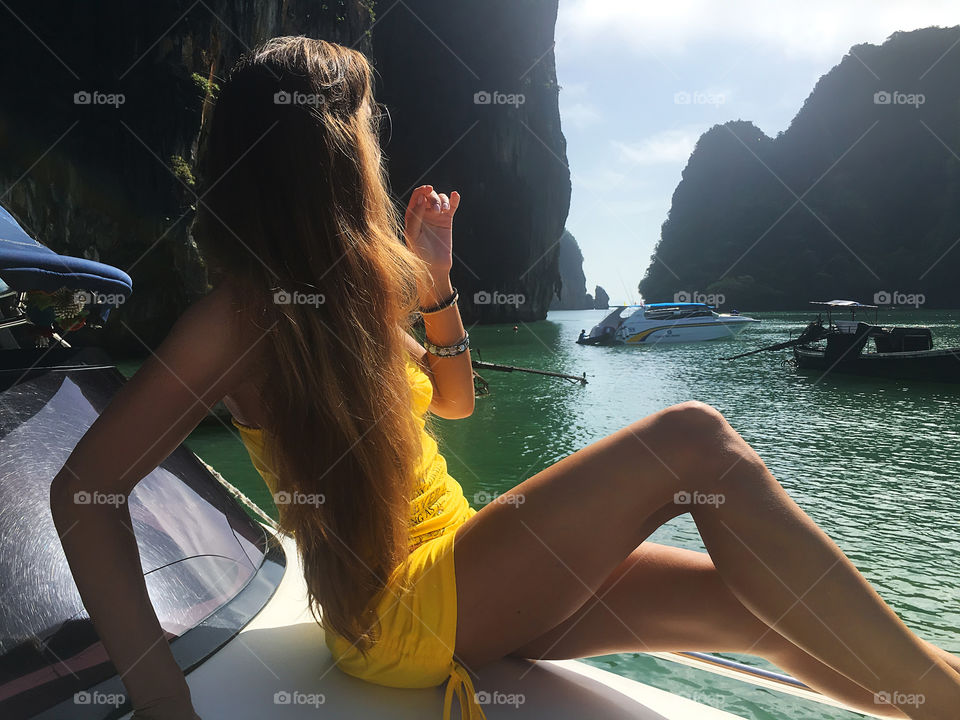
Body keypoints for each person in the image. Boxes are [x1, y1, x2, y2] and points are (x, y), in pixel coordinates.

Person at [49, 36, 960, 720]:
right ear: (325, 156)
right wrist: (164, 703)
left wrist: (437, 289)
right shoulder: (240, 315)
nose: (377, 156)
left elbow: (453, 401)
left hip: (469, 565)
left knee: (765, 607)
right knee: (695, 444)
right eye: (366, 136)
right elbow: (85, 489)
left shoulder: (351, 301)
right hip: (399, 615)